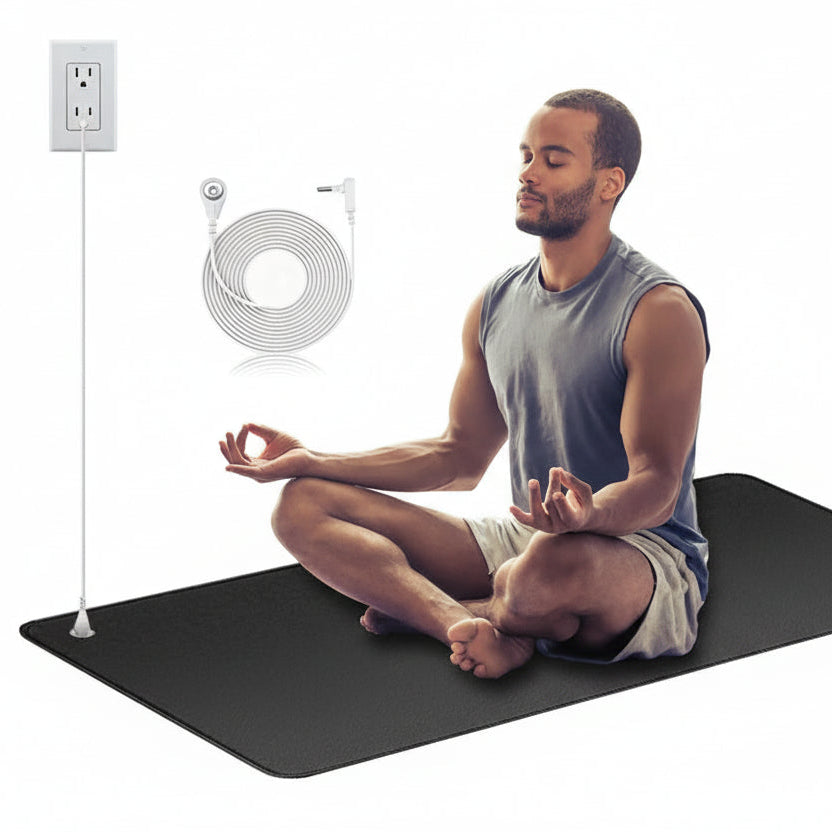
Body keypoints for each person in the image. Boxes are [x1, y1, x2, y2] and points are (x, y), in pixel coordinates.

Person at [219, 89, 710, 680]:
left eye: (553, 161)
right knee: (301, 504)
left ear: (610, 183)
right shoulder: (497, 303)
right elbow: (456, 458)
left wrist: (587, 514)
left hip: (640, 554)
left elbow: (657, 485)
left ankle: (468, 608)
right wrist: (314, 458)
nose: (527, 173)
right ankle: (466, 624)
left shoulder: (658, 310)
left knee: (538, 575)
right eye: (526, 155)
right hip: (530, 537)